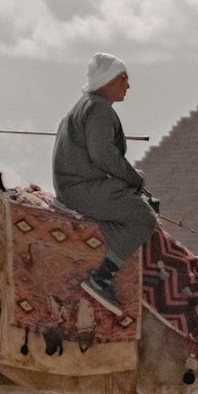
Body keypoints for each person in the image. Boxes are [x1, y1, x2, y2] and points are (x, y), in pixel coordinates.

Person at [53, 52, 157, 315]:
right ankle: (102, 279)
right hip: (81, 189)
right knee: (144, 217)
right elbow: (103, 156)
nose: (128, 86)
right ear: (109, 80)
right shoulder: (99, 108)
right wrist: (134, 178)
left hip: (76, 183)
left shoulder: (86, 104)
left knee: (133, 202)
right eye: (124, 78)